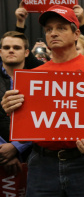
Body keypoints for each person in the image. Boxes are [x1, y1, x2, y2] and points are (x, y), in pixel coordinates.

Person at [1, 5, 84, 196]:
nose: (53, 33)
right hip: (42, 164)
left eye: (61, 27)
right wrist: (11, 109)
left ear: (76, 34)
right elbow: (27, 121)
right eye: (49, 29)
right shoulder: (33, 76)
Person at [0, 31, 33, 175]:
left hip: (32, 157)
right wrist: (2, 149)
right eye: (6, 47)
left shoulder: (39, 80)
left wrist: (16, 147)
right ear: (0, 52)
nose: (11, 50)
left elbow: (44, 119)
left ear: (26, 52)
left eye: (17, 47)